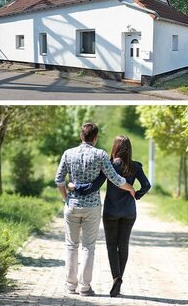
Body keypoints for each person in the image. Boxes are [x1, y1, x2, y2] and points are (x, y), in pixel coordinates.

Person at [54, 123, 135, 297]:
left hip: (72, 205)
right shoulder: (100, 155)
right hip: (92, 207)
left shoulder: (68, 153)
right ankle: (85, 287)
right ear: (95, 138)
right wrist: (130, 188)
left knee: (71, 245)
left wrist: (66, 198)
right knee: (88, 247)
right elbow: (115, 179)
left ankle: (70, 285)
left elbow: (59, 180)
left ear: (81, 136)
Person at [68, 135, 151, 297]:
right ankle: (118, 280)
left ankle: (116, 277)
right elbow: (147, 185)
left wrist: (75, 187)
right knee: (124, 245)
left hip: (111, 212)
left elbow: (94, 186)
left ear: (115, 148)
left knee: (112, 246)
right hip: (129, 212)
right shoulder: (136, 166)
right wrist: (136, 195)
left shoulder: (109, 166)